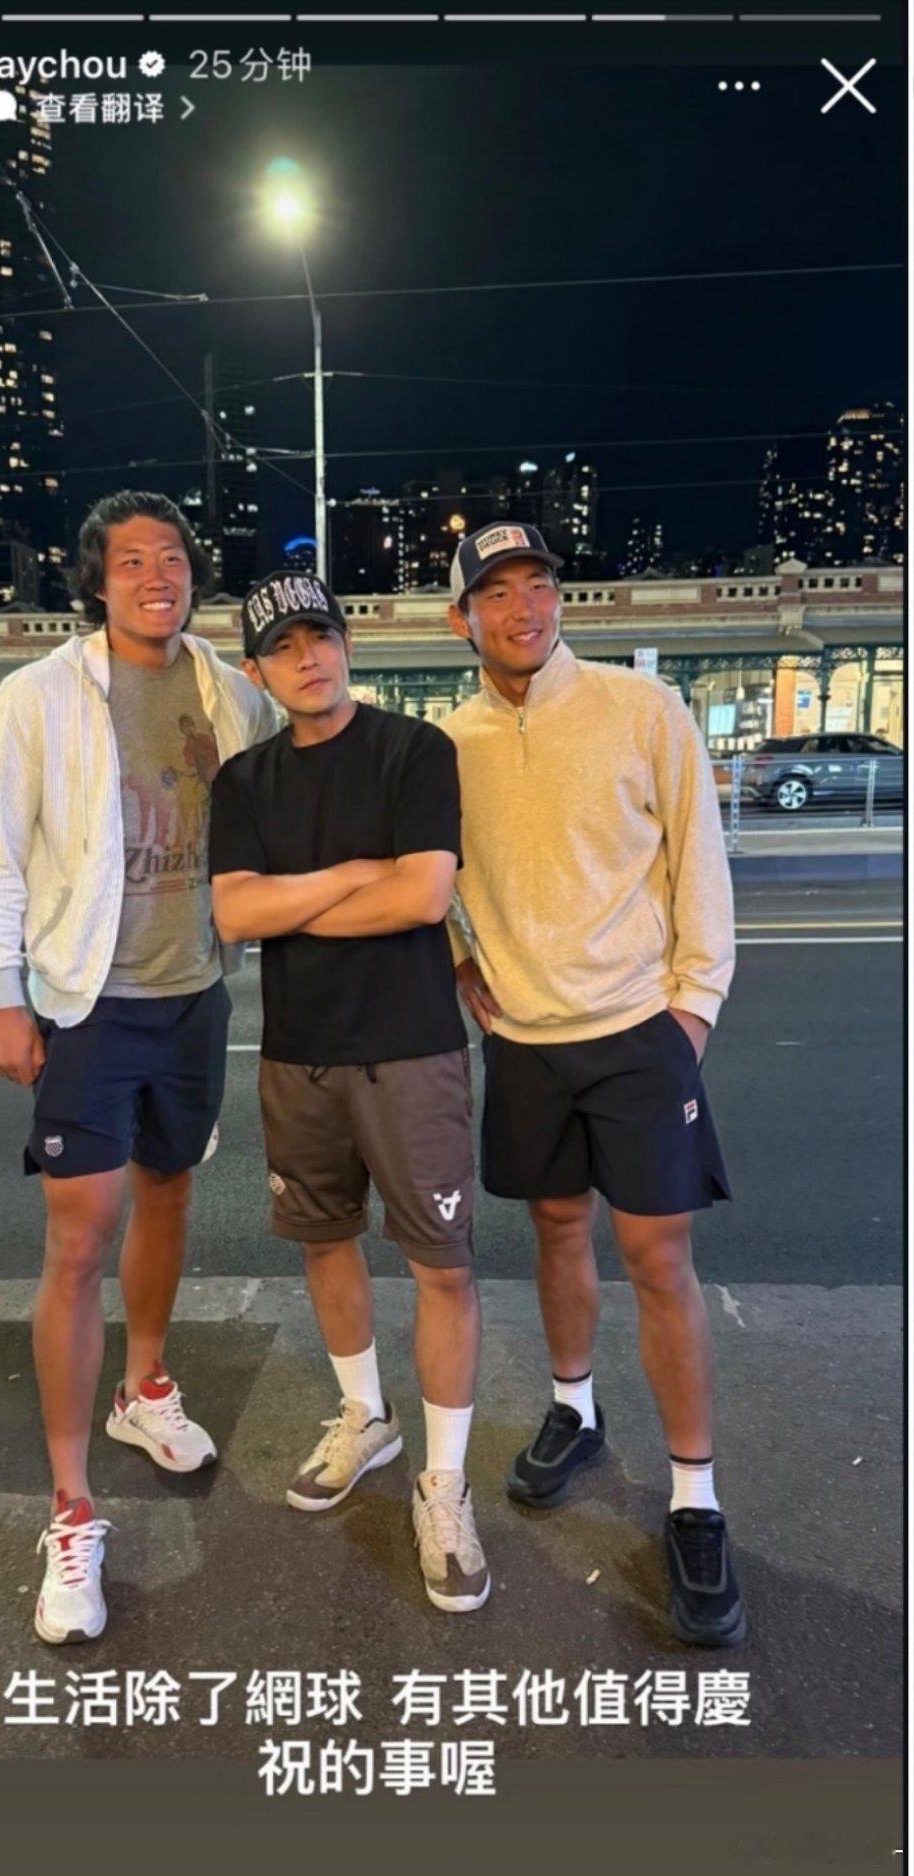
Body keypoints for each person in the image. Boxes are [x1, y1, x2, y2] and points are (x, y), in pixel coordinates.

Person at [0, 490, 277, 1645]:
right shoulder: (43, 695)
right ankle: (71, 1505)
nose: (157, 575)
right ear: (96, 582)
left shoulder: (228, 691)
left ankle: (145, 1388)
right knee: (79, 1234)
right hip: (88, 1003)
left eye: (173, 557)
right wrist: (3, 993)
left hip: (194, 994)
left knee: (171, 1192)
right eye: (132, 560)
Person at [442, 521, 744, 1646]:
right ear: (462, 618)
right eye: (498, 592)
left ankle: (695, 1499)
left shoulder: (639, 707)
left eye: (539, 585)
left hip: (637, 1030)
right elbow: (436, 876)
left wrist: (693, 1009)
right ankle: (575, 1407)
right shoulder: (450, 741)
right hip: (525, 1038)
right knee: (557, 1227)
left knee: (659, 1257)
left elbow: (699, 860)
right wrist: (459, 957)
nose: (524, 607)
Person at [208, 571, 489, 1613]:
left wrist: (296, 902)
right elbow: (234, 914)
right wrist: (354, 877)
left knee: (441, 1264)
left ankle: (445, 1482)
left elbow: (424, 894)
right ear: (258, 672)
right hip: (299, 1053)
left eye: (320, 636)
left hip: (411, 1048)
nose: (309, 657)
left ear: (347, 644)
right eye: (284, 647)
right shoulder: (245, 781)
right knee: (324, 1240)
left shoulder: (415, 750)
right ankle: (367, 1415)